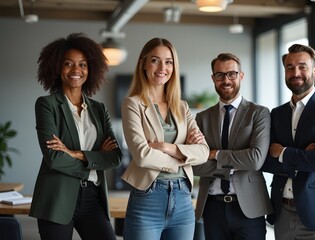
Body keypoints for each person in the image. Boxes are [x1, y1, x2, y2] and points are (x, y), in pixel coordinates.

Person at [29, 33, 122, 240]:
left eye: (82, 65)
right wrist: (95, 158)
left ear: (91, 69)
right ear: (56, 67)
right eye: (68, 64)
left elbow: (115, 157)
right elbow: (54, 159)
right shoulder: (46, 105)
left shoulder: (99, 109)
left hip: (93, 199)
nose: (76, 70)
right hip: (57, 197)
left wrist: (77, 154)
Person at [120, 37, 209, 240]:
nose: (162, 67)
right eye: (155, 60)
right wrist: (185, 155)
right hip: (147, 199)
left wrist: (166, 147)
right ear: (143, 64)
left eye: (168, 61)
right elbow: (142, 155)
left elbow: (203, 152)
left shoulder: (182, 106)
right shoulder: (132, 104)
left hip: (183, 199)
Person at [261, 43, 315, 239]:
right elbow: (265, 161)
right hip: (281, 211)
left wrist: (282, 153)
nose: (295, 72)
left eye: (302, 66)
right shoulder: (277, 113)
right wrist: (304, 157)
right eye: (289, 67)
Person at [192, 53, 273, 240]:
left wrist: (215, 155)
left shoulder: (258, 113)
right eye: (220, 75)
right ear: (213, 78)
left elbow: (255, 159)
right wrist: (234, 162)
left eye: (232, 74)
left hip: (249, 209)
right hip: (212, 207)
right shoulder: (202, 118)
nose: (226, 80)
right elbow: (195, 165)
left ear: (241, 76)